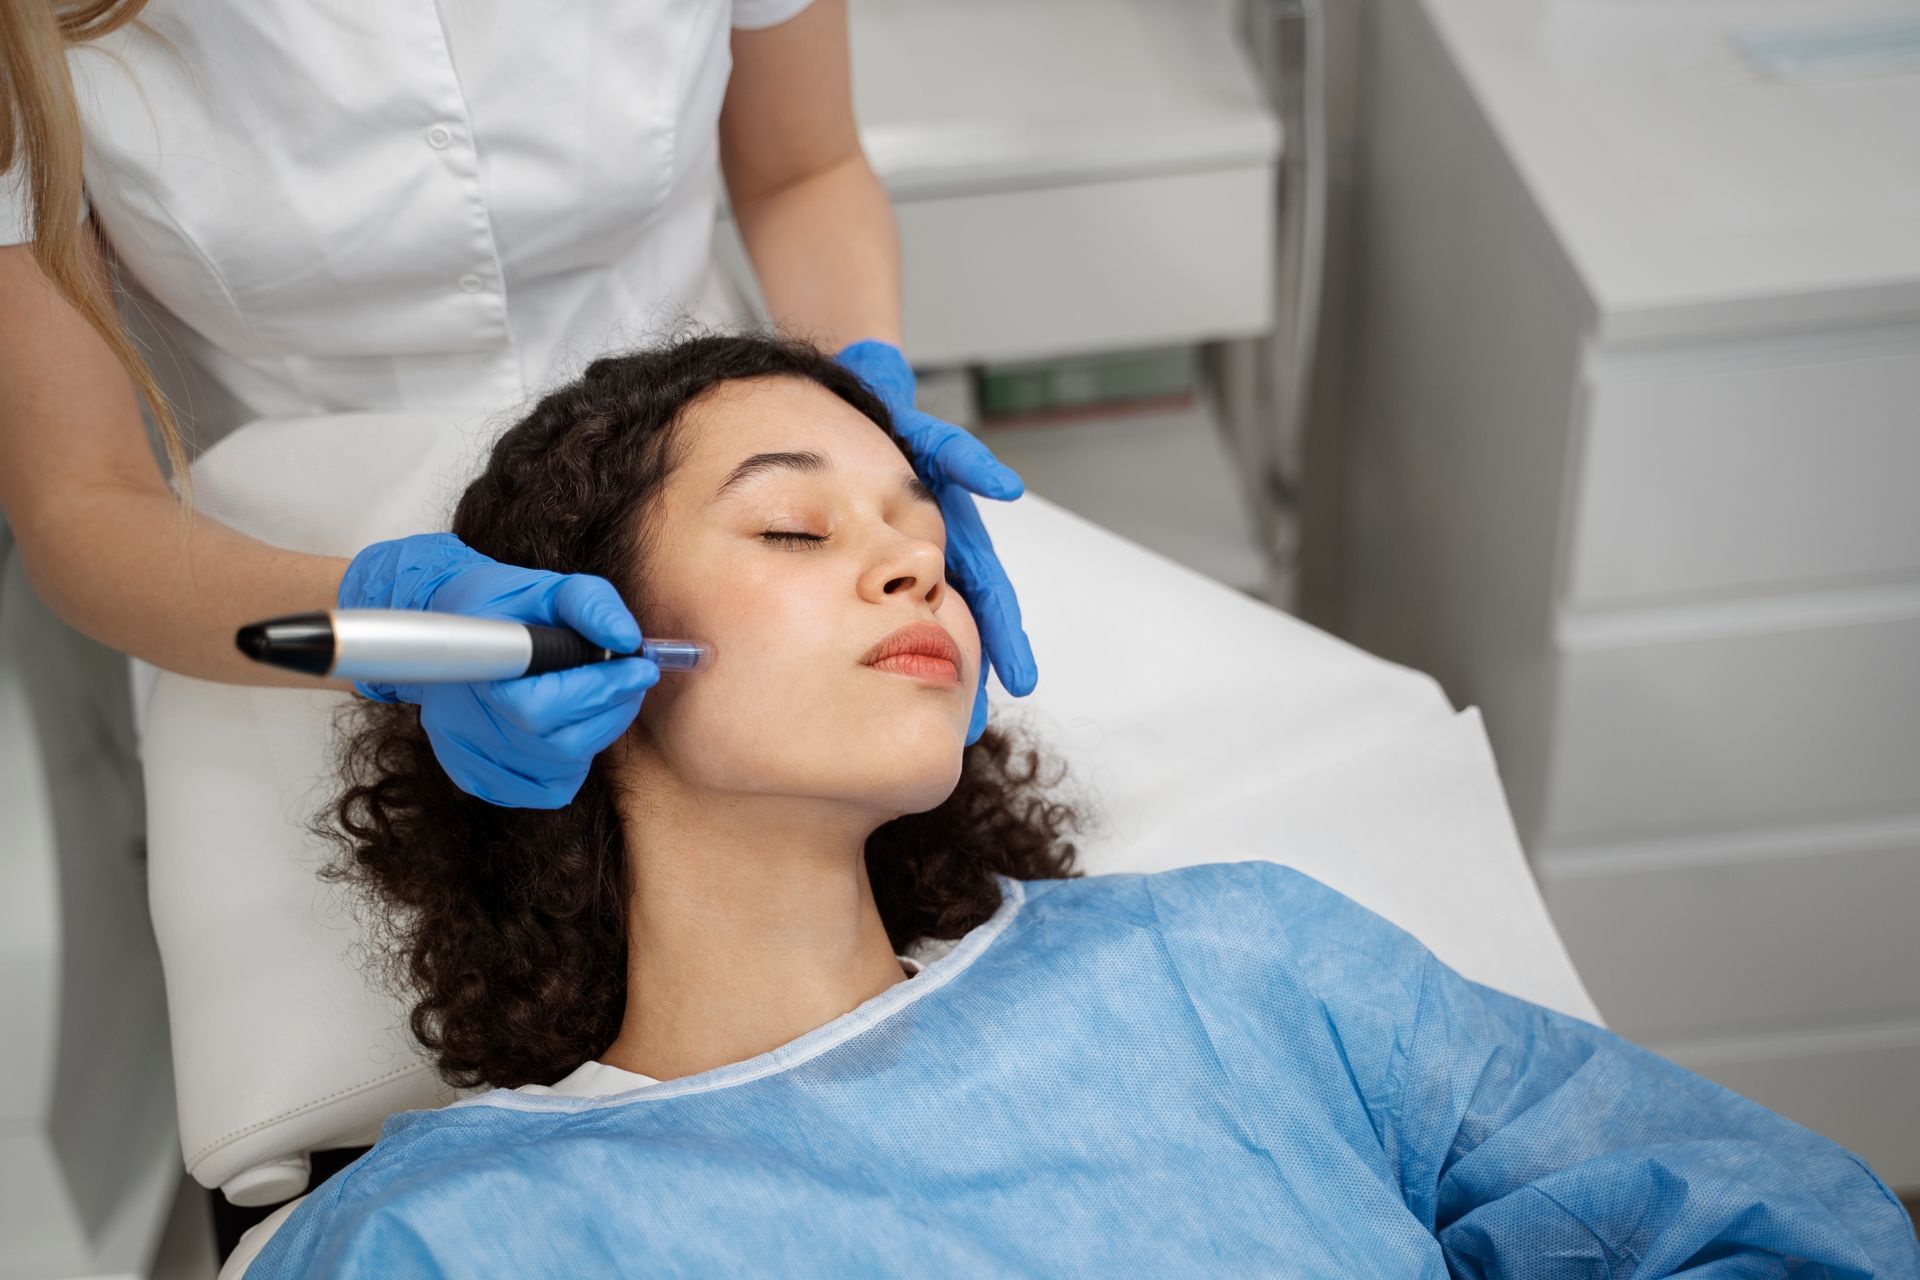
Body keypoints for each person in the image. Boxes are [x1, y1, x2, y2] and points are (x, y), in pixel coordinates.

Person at [239, 334, 1917, 1278]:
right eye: (793, 530)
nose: (916, 556)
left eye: (918, 524)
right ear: (564, 657)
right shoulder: (449, 1241)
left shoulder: (1232, 970)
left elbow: (1772, 1223)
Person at [0, 0, 1037, 816]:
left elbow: (805, 167)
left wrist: (860, 419)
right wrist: (382, 618)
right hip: (282, 581)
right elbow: (77, 503)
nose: (913, 557)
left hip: (707, 414)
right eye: (789, 530)